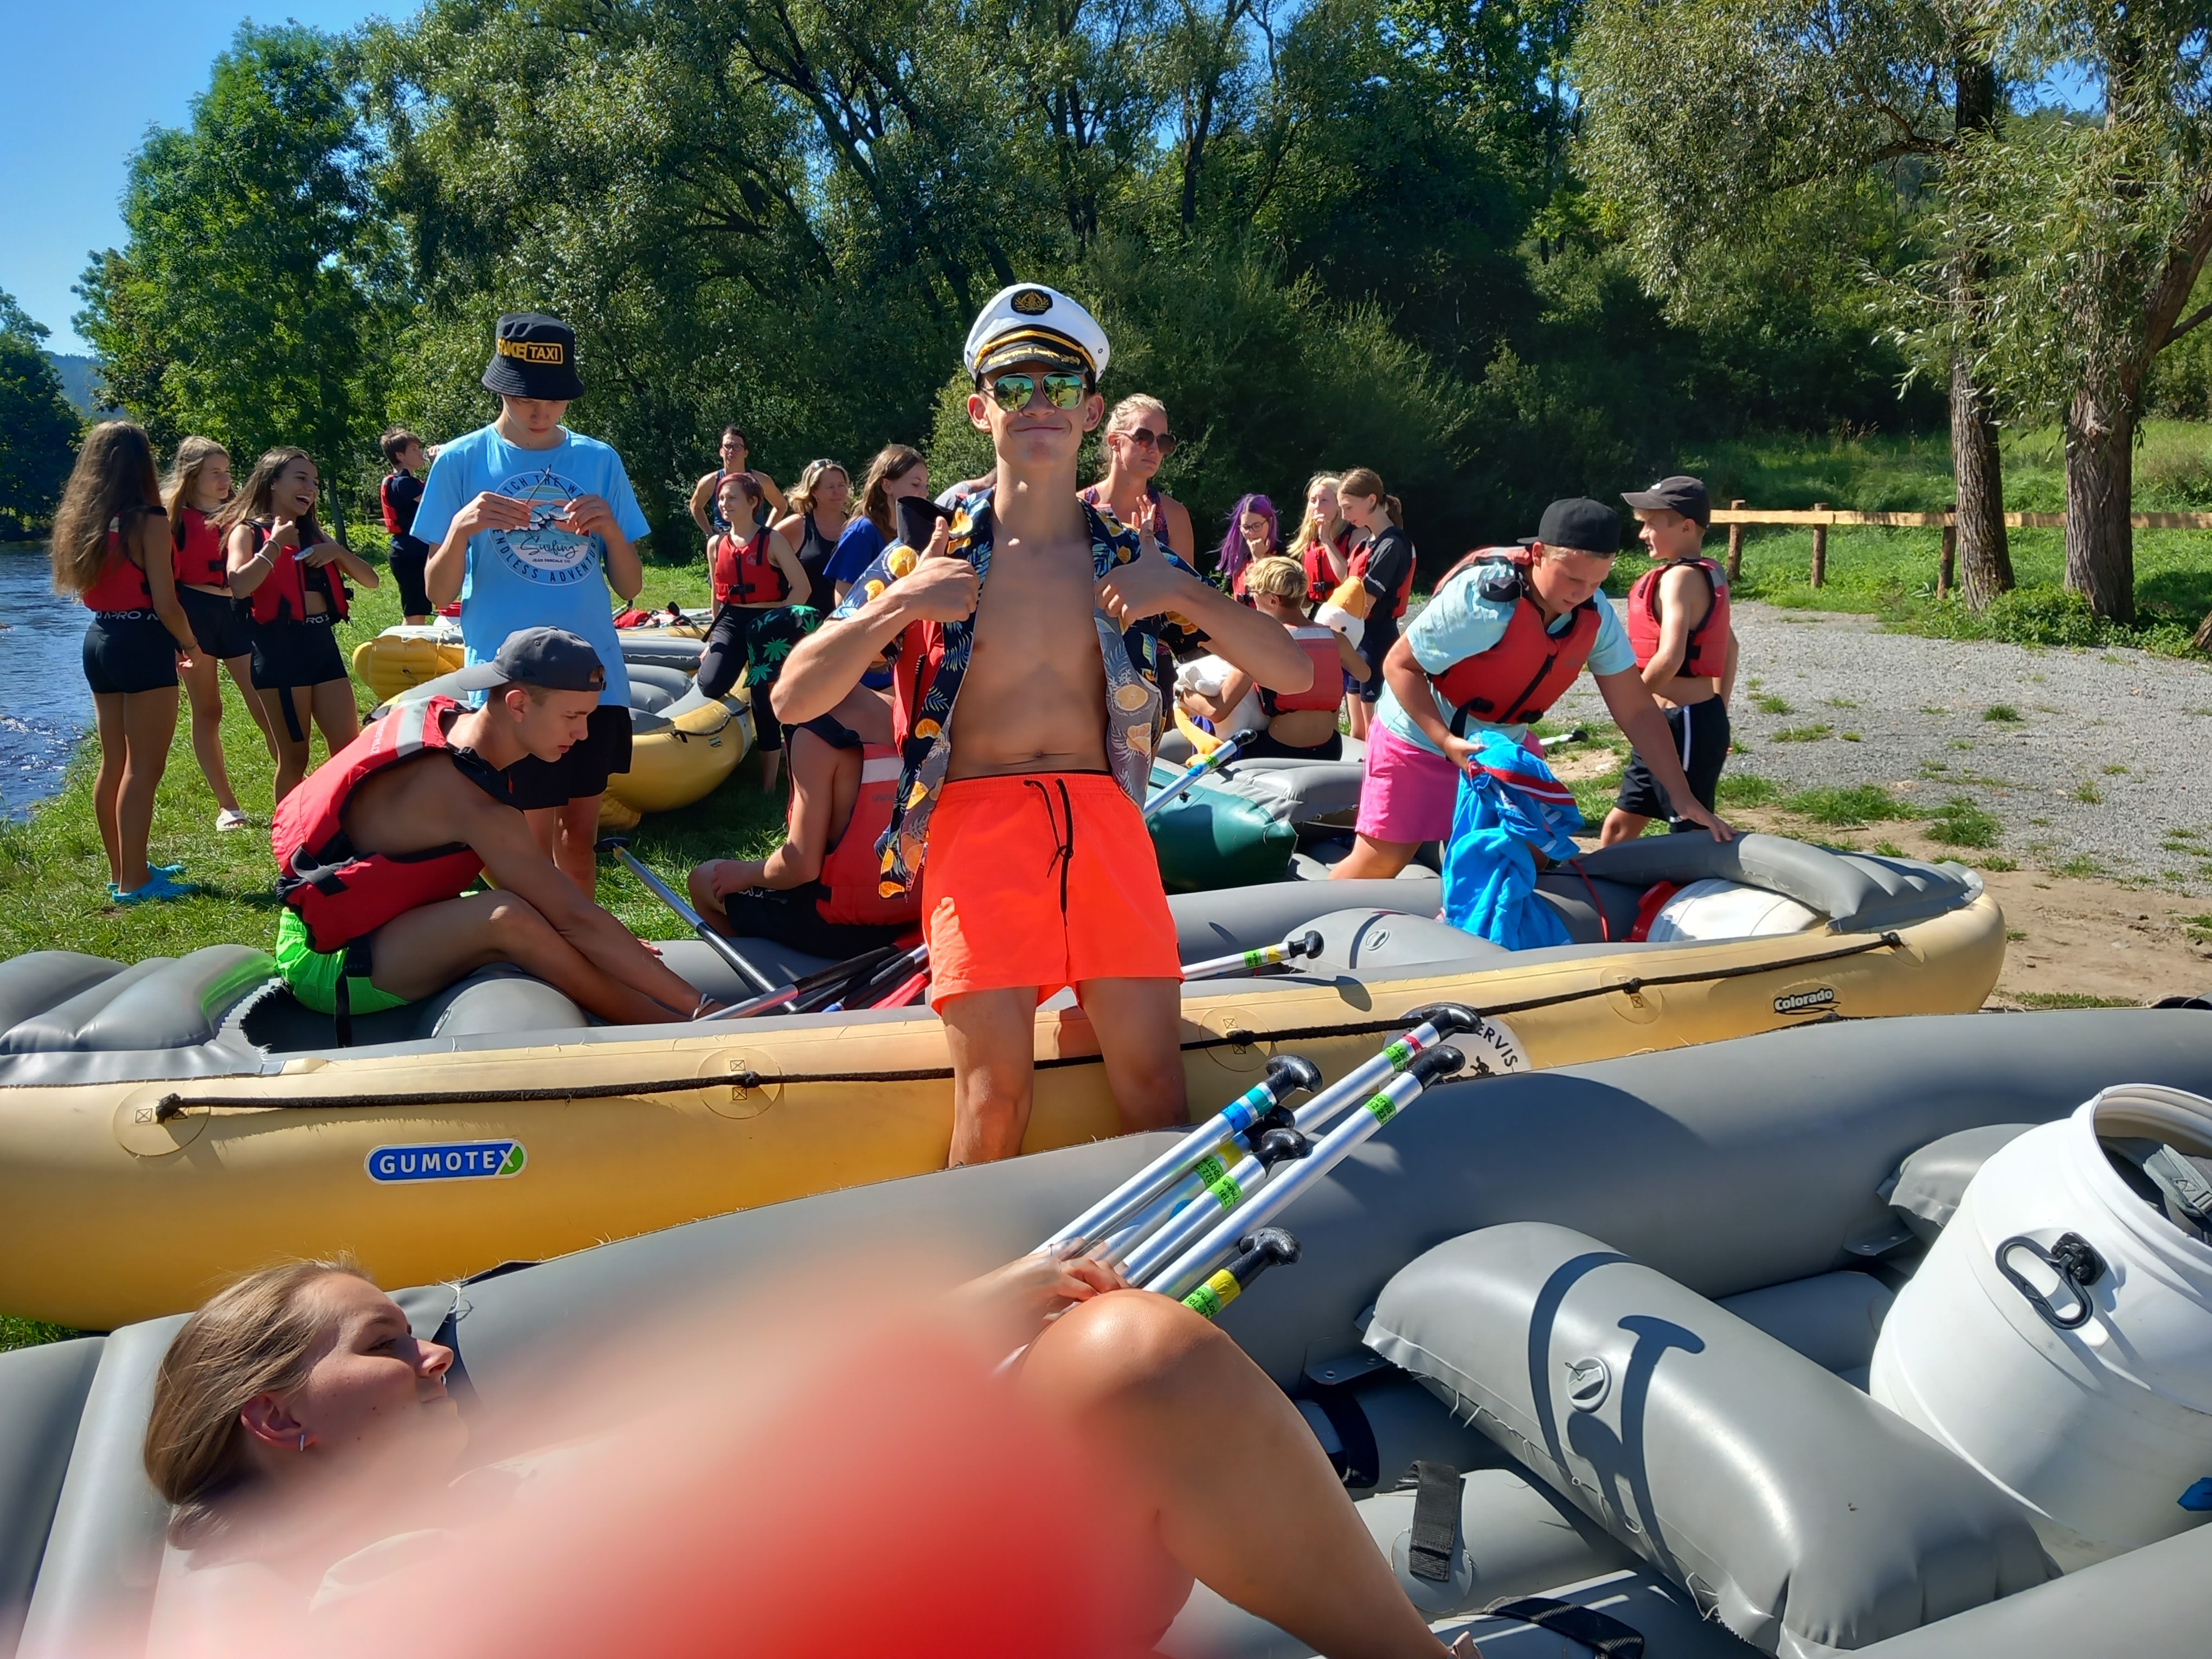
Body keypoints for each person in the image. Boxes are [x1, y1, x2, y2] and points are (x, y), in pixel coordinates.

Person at [142, 1255, 1459, 1659]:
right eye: (386, 1346)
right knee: (1136, 1358)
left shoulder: (500, 1483)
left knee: (1128, 1355)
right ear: (277, 1419)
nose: (436, 1355)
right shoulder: (352, 1600)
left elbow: (752, 1420)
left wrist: (995, 1301)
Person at [776, 282, 1310, 1165]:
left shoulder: (1129, 555)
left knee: (1155, 1088)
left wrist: (1183, 592)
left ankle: (1149, 1252)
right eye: (1012, 387)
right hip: (976, 831)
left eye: (1059, 387)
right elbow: (793, 697)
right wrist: (898, 604)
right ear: (979, 408)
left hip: (1104, 827)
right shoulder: (928, 553)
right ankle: (977, 1256)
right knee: (992, 1103)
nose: (1037, 404)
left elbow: (1293, 671)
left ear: (1091, 412)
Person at [266, 627, 714, 1028]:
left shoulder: (442, 721)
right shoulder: (470, 801)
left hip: (353, 923)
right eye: (572, 717)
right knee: (506, 918)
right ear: (518, 704)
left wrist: (612, 945)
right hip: (329, 961)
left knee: (530, 911)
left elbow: (549, 898)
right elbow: (574, 919)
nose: (582, 734)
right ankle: (667, 1024)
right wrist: (695, 1004)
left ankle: (670, 1012)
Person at [1330, 497, 1733, 882]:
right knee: (1382, 860)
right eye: (1572, 578)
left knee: (1534, 853)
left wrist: (1681, 795)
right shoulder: (1484, 601)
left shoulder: (1595, 616)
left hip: (1498, 746)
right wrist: (1446, 741)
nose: (1581, 593)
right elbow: (1399, 665)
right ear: (1538, 554)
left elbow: (1639, 710)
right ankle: (1308, 919)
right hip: (1418, 738)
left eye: (1597, 581)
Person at [413, 313, 652, 899]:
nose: (539, 411)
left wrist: (611, 532)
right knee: (523, 849)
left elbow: (631, 587)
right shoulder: (460, 461)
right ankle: (530, 946)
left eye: (552, 398)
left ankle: (582, 942)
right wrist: (461, 529)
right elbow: (437, 593)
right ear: (499, 387)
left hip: (593, 682)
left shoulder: (599, 459)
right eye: (524, 397)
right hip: (511, 686)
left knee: (579, 841)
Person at [51, 421, 198, 903]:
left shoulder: (84, 520)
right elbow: (166, 603)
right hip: (141, 640)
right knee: (144, 768)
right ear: (142, 463)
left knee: (114, 762)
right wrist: (192, 646)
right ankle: (135, 883)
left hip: (99, 640)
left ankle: (124, 869)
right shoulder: (149, 520)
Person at [686, 678, 920, 958]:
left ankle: (757, 971)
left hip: (842, 927)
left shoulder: (817, 737)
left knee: (703, 880)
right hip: (916, 910)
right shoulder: (906, 714)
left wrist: (745, 873)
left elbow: (802, 866)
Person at [220, 448, 378, 806]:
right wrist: (275, 545)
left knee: (348, 748)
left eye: (315, 482)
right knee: (295, 758)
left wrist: (337, 552)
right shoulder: (247, 532)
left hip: (321, 646)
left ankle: (347, 824)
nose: (311, 488)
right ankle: (289, 835)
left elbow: (371, 581)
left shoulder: (315, 535)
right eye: (302, 478)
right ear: (273, 483)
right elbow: (240, 585)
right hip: (279, 652)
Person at [1601, 475, 1740, 845]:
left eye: (1651, 524)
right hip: (1669, 722)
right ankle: (1603, 883)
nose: (1643, 534)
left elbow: (1670, 657)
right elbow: (1730, 646)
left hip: (1687, 724)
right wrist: (1720, 708)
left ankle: (1709, 882)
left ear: (1686, 527)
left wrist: (1631, 700)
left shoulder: (1681, 579)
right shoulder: (1705, 573)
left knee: (1692, 832)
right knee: (1619, 827)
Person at [164, 435, 277, 832]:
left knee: (265, 703)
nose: (225, 480)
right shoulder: (172, 520)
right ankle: (228, 806)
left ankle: (295, 787)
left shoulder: (242, 516)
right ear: (192, 476)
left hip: (238, 612)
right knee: (208, 710)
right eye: (215, 473)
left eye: (227, 471)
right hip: (195, 614)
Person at [693, 470, 813, 790]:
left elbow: (802, 588)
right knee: (710, 684)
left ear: (753, 502)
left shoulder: (772, 540)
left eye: (732, 498)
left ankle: (769, 786)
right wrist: (713, 641)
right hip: (731, 621)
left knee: (764, 699)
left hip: (767, 623)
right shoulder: (716, 544)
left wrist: (776, 619)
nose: (724, 504)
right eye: (721, 499)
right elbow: (717, 595)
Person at [1183, 556, 1367, 760]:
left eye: (1254, 595)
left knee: (1214, 734)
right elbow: (1364, 674)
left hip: (1281, 750)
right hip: (1330, 749)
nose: (1252, 601)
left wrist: (1181, 694)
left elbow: (1217, 711)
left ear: (1273, 601)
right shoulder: (1335, 638)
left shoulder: (1265, 645)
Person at [1335, 468, 1414, 742]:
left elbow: (1365, 603)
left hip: (1377, 640)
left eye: (1348, 507)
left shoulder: (1392, 545)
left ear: (1371, 500)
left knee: (1372, 731)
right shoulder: (1369, 542)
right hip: (1360, 639)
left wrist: (1330, 623)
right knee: (1357, 731)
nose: (1344, 516)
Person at [1081, 394, 1195, 562]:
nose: (1154, 449)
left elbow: (1185, 579)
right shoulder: (1077, 509)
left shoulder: (1174, 517)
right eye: (1144, 438)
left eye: (1163, 441)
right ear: (1115, 441)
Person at [825, 444, 930, 605]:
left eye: (926, 485)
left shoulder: (911, 532)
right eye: (916, 484)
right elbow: (843, 602)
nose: (925, 492)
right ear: (887, 486)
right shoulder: (863, 532)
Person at [773, 458, 851, 605]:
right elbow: (762, 552)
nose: (838, 492)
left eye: (841, 485)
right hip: (806, 617)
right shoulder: (797, 526)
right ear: (814, 492)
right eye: (830, 487)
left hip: (851, 616)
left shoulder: (858, 526)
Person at [687, 424, 786, 540]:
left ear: (745, 453)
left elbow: (781, 506)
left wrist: (766, 532)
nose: (731, 451)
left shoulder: (760, 481)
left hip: (754, 541)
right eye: (727, 446)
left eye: (737, 447)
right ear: (721, 452)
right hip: (723, 541)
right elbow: (695, 506)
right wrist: (710, 534)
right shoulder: (710, 481)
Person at [379, 429, 434, 626]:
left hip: (412, 552)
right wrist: (437, 465)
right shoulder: (403, 483)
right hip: (409, 554)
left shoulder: (407, 482)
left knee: (417, 610)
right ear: (400, 455)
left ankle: (411, 642)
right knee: (415, 613)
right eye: (414, 449)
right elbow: (435, 501)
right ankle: (409, 644)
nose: (421, 453)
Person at [1288, 472, 1353, 605]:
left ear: (1339, 506)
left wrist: (1327, 540)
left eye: (1324, 501)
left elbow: (1349, 580)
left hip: (1346, 609)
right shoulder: (1308, 541)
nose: (1317, 506)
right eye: (1313, 501)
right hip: (1318, 609)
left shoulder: (1355, 534)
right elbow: (1305, 602)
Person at [1213, 492, 1279, 597]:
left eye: (1257, 526)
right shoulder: (1237, 556)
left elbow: (1273, 597)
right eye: (1246, 527)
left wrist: (1259, 559)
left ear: (1270, 523)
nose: (1251, 533)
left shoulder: (1284, 555)